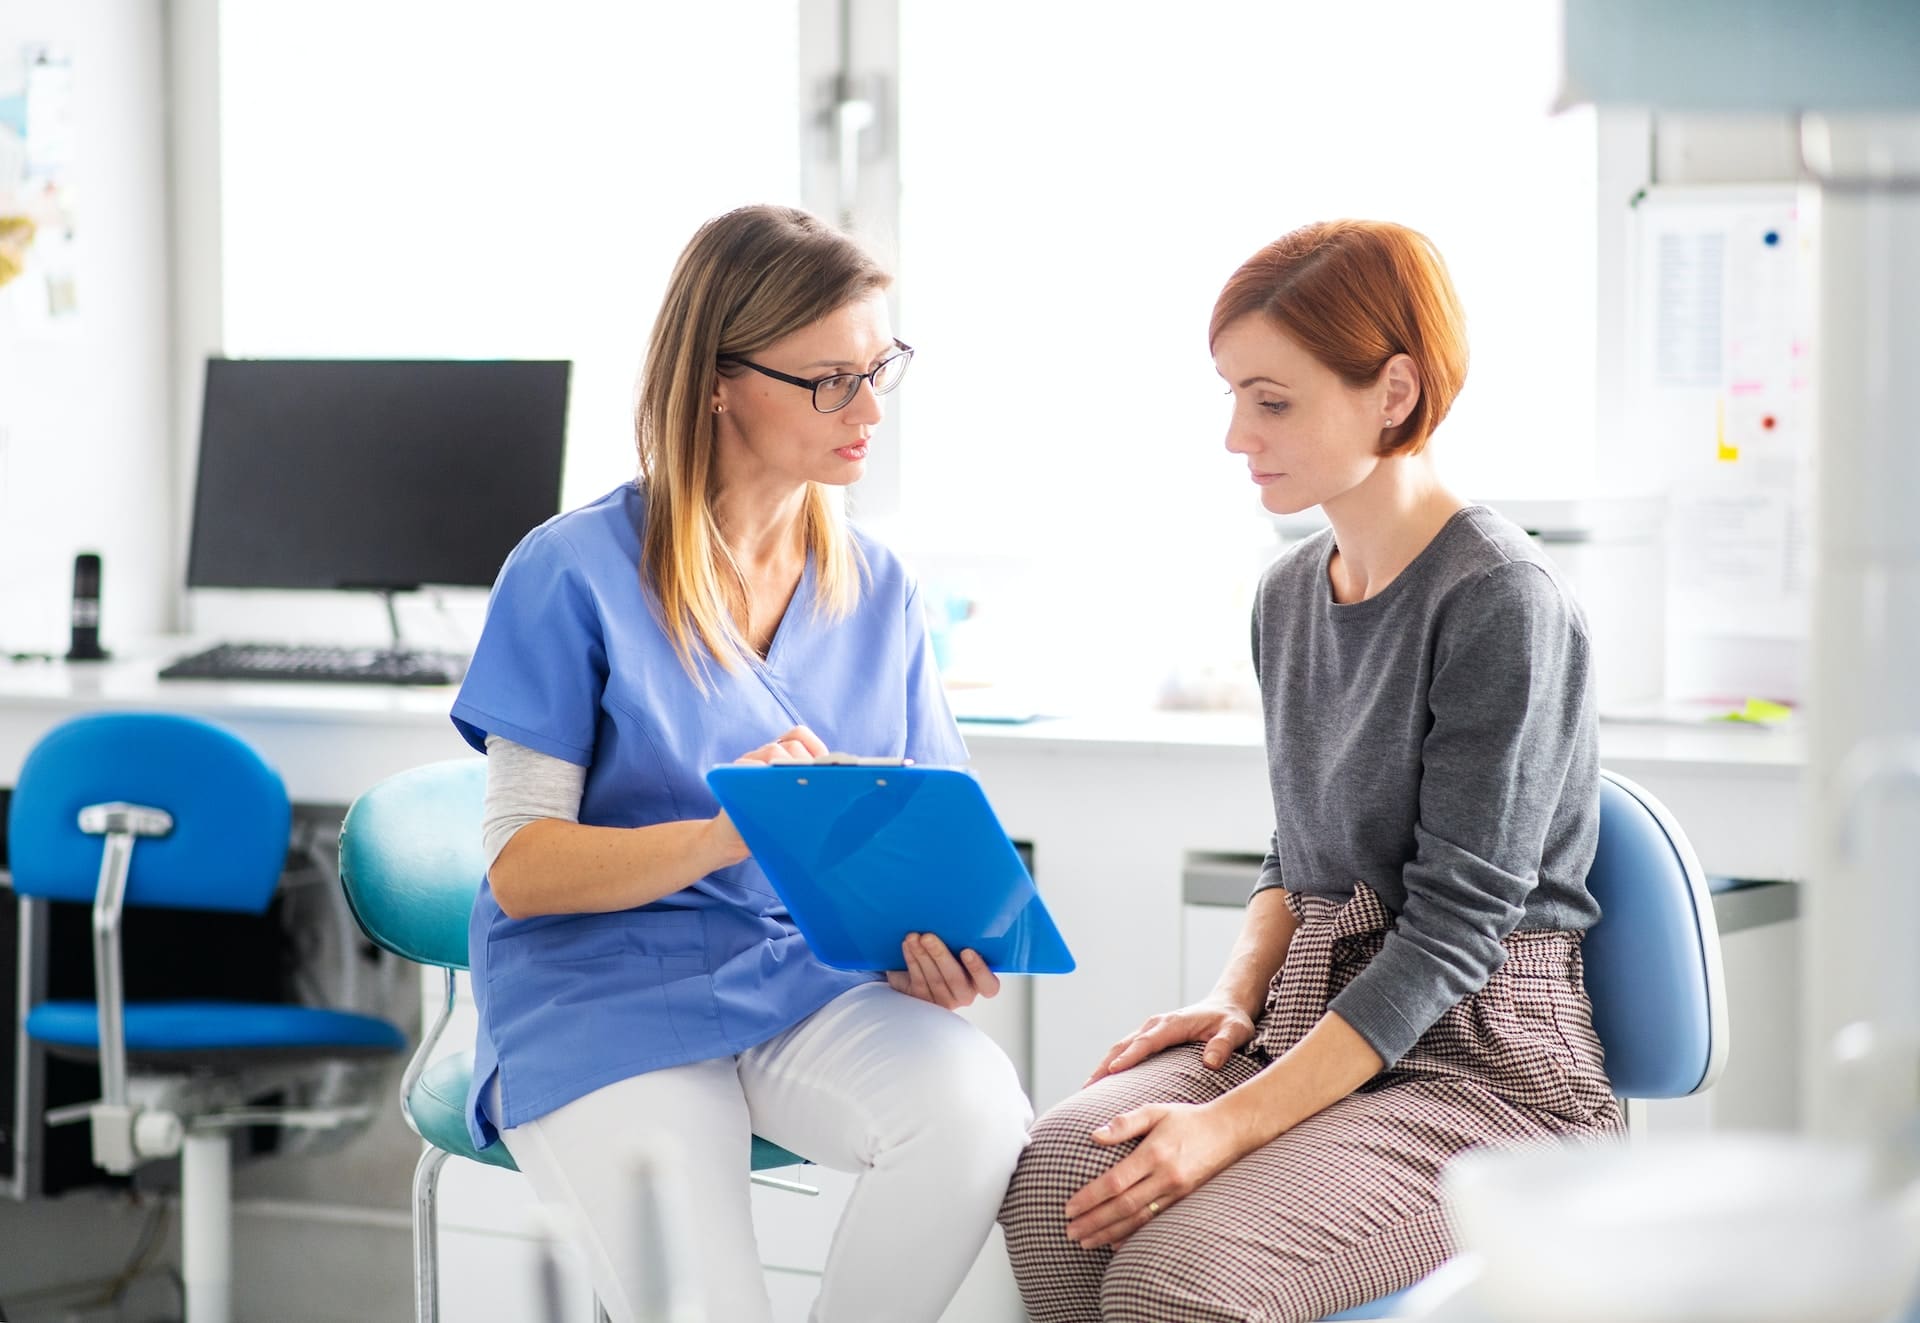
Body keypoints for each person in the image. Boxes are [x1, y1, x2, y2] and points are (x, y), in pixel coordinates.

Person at [999, 219, 1622, 1323]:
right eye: (1234, 394)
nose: (1237, 434)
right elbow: (1304, 846)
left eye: (1272, 401)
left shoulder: (1499, 600)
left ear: (1393, 391)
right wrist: (1231, 993)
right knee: (1055, 1182)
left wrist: (1225, 1126)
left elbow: (1452, 933)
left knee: (1175, 1278)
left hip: (1487, 1068)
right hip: (1314, 1018)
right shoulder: (1291, 594)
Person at [450, 204, 1031, 1323]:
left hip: (801, 981)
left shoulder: (880, 588)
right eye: (829, 382)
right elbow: (522, 867)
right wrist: (734, 829)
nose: (867, 412)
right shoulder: (571, 572)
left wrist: (929, 943)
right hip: (602, 991)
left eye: (879, 370)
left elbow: (915, 826)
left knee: (974, 1116)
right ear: (719, 381)